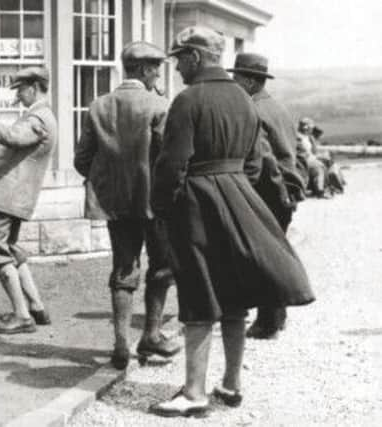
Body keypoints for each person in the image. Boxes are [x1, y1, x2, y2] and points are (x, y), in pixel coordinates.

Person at [150, 26, 315, 417]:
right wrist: (236, 191)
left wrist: (163, 208)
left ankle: (193, 392)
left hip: (196, 204)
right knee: (234, 296)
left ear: (193, 57)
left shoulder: (188, 100)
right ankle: (231, 383)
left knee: (197, 295)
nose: (177, 67)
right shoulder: (245, 99)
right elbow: (257, 165)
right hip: (239, 198)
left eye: (178, 59)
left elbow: (172, 164)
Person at [74, 41, 181, 370]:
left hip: (114, 204)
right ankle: (150, 335)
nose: (159, 74)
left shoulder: (98, 106)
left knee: (123, 270)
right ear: (146, 69)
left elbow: (82, 161)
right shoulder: (160, 106)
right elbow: (170, 159)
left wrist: (108, 181)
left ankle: (121, 344)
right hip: (155, 203)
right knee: (162, 268)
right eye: (156, 69)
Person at [0, 66, 56, 334]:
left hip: (3, 198)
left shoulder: (38, 118)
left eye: (20, 89)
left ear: (34, 86)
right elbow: (17, 148)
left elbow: (13, 137)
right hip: (15, 198)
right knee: (11, 250)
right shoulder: (43, 116)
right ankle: (36, 307)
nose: (18, 95)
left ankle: (21, 316)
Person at [228, 53, 306, 339]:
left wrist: (266, 194)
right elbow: (295, 151)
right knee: (275, 251)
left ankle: (267, 322)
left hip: (271, 192)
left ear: (249, 81)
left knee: (263, 257)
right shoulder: (277, 107)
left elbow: (266, 161)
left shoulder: (254, 110)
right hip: (287, 190)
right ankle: (277, 315)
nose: (234, 83)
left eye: (237, 78)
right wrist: (295, 189)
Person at [296, 117, 329, 198]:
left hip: (308, 158)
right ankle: (319, 190)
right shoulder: (299, 138)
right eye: (311, 128)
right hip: (303, 160)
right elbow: (303, 153)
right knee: (318, 166)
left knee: (326, 160)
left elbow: (314, 151)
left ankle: (325, 186)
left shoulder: (307, 137)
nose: (312, 130)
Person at [312, 126, 346, 194]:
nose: (320, 136)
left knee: (332, 163)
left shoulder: (313, 140)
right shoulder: (312, 140)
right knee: (332, 164)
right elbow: (313, 153)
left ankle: (340, 181)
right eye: (319, 134)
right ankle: (340, 182)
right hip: (314, 159)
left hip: (315, 158)